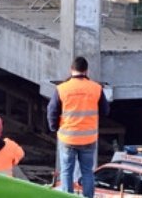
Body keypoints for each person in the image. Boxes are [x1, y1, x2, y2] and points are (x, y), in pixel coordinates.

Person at [47, 56, 110, 198]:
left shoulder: (62, 89)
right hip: (88, 138)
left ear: (71, 70)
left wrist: (54, 128)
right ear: (86, 71)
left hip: (68, 138)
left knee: (66, 172)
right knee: (87, 172)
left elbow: (52, 111)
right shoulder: (96, 88)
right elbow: (105, 111)